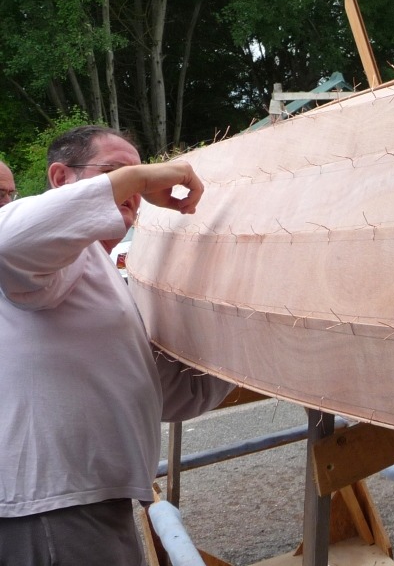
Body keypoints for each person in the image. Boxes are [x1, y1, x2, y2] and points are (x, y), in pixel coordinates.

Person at [0, 125, 234, 565]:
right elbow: (10, 239)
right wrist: (143, 177)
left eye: (136, 175)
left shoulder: (93, 264)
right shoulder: (29, 253)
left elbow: (163, 393)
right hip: (53, 504)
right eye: (115, 172)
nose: (135, 188)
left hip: (81, 498)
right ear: (61, 179)